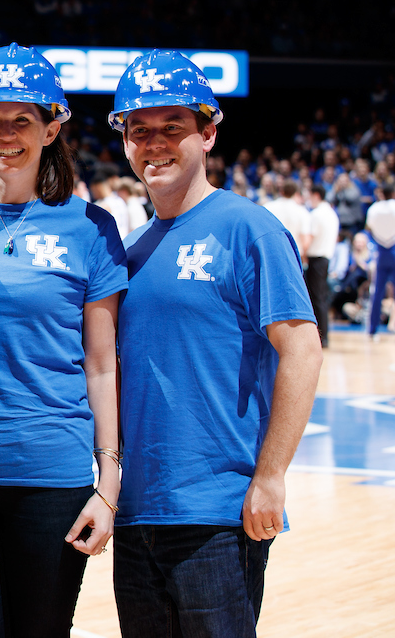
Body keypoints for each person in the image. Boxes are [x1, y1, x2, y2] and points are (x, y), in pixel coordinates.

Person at [109, 50, 322, 637]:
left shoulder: (249, 228)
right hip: (137, 511)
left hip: (220, 514)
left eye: (171, 128)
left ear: (207, 134)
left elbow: (302, 349)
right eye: (139, 130)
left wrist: (271, 476)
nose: (154, 143)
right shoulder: (131, 250)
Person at [0, 44, 125, 638]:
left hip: (54, 475)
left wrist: (109, 484)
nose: (7, 135)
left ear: (51, 128)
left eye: (22, 120)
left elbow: (101, 364)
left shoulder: (91, 227)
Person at [305, 184, 339, 347]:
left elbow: (309, 238)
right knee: (320, 297)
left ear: (316, 195)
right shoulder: (332, 213)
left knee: (316, 298)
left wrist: (301, 254)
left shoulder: (317, 214)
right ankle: (322, 336)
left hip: (316, 259)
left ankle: (321, 337)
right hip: (325, 258)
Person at [364, 183, 395, 340]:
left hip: (381, 251)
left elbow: (368, 229)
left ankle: (372, 330)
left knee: (377, 292)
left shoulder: (374, 209)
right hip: (393, 249)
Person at [264, 179, 311, 262]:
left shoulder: (268, 207)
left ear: (281, 191)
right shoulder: (302, 212)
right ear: (296, 193)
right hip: (292, 255)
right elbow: (305, 240)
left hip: (271, 252)